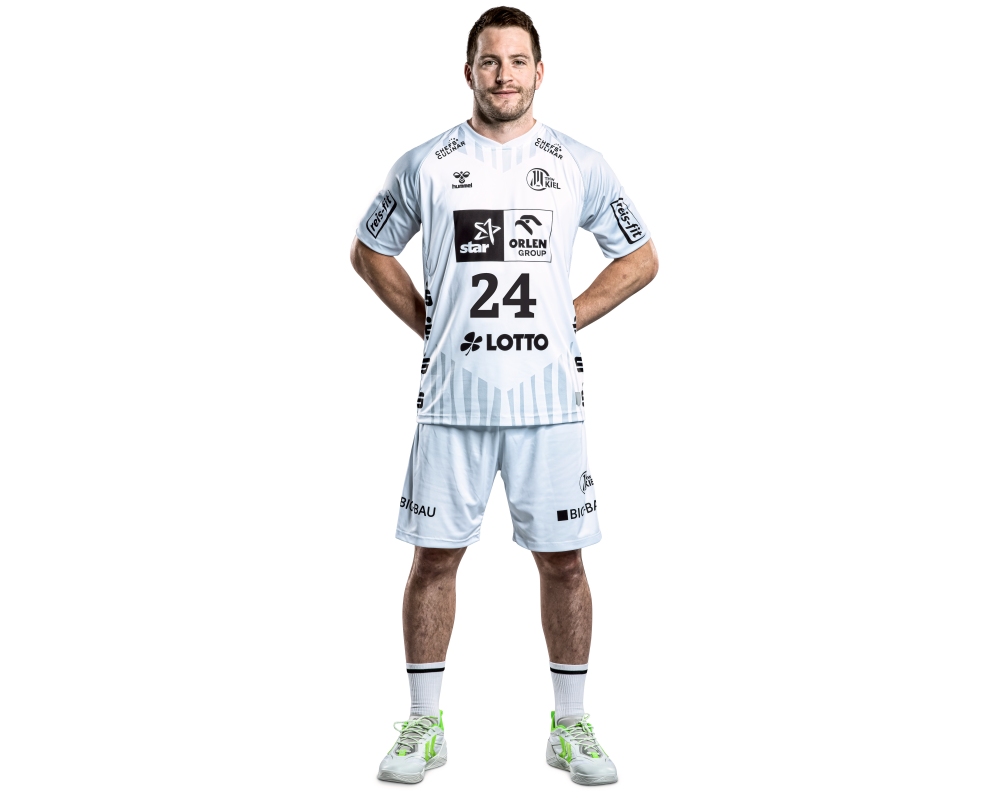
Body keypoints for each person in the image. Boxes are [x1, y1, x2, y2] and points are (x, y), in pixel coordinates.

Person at [351, 6, 657, 786]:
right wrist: (425, 322)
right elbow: (370, 250)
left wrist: (569, 315)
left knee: (565, 564)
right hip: (453, 401)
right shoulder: (426, 162)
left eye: (518, 61)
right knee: (433, 560)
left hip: (548, 402)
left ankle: (571, 726)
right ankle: (424, 726)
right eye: (490, 61)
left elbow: (640, 257)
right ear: (469, 72)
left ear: (539, 72)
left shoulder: (579, 162)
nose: (504, 75)